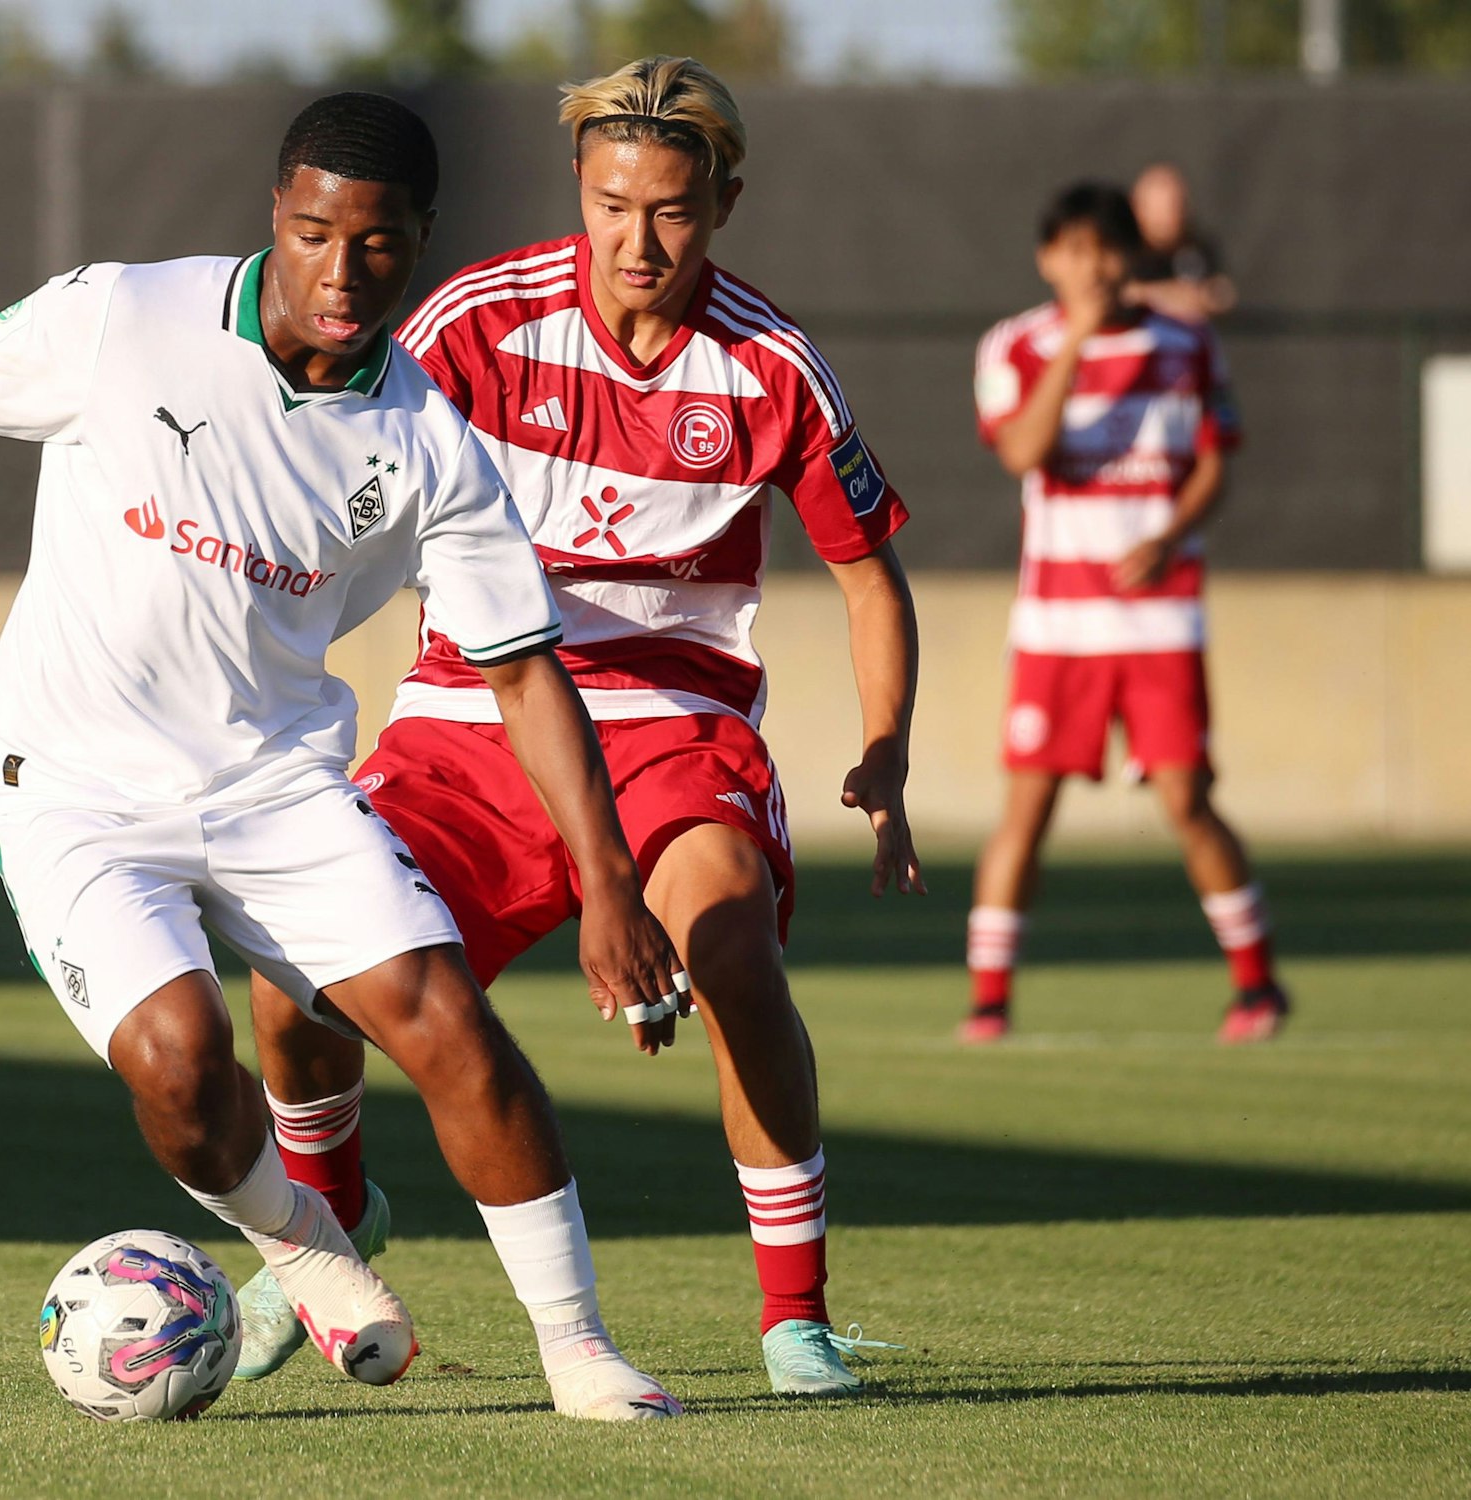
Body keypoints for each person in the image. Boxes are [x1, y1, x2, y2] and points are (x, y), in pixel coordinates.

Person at [0, 93, 692, 1423]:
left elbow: (519, 668)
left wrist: (608, 881)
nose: (342, 270)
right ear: (277, 215)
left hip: (273, 785)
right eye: (317, 233)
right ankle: (312, 1253)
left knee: (454, 1031)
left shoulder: (432, 443)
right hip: (75, 786)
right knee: (178, 1059)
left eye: (378, 244)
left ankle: (580, 1350)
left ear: (418, 243)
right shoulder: (121, 316)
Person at [233, 56, 922, 1399]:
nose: (637, 240)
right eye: (612, 204)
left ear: (722, 201)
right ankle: (327, 1241)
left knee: (730, 946)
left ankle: (796, 1321)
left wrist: (886, 753)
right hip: (470, 716)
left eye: (669, 209)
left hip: (676, 724)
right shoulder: (477, 324)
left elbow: (868, 575)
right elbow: (330, 470)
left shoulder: (773, 365)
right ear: (579, 191)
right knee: (285, 981)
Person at [965, 180, 1287, 1047]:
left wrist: (1171, 534)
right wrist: (1074, 341)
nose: (1093, 267)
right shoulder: (1015, 346)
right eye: (1074, 251)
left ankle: (1258, 987)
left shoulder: (1187, 342)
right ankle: (989, 1003)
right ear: (1048, 260)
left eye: (1107, 250)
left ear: (1131, 255)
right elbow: (1024, 451)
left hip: (1159, 618)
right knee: (1027, 809)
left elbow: (1215, 462)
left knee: (1188, 798)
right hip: (1058, 624)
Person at [1126, 162, 1236, 324]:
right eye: (1161, 210)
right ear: (1138, 209)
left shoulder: (1195, 246)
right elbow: (1124, 294)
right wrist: (1163, 295)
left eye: (1177, 206)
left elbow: (1223, 294)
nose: (1171, 217)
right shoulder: (1125, 251)